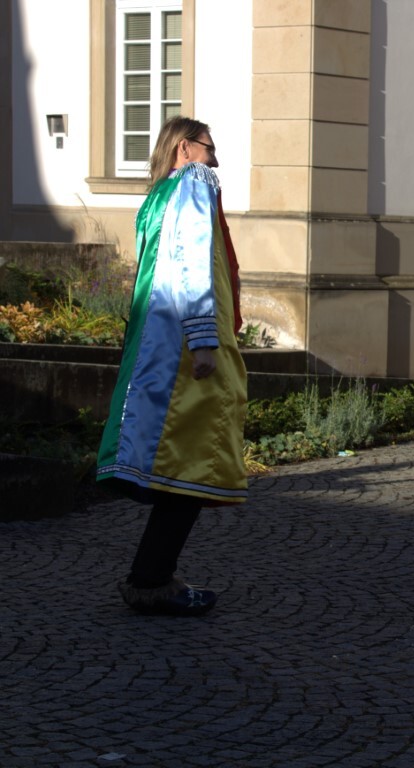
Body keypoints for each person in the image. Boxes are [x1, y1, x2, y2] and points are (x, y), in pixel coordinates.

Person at [96, 116, 247, 616]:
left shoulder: (156, 197)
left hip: (156, 347)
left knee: (175, 463)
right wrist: (203, 341)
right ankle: (151, 580)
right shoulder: (194, 182)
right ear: (185, 148)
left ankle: (152, 574)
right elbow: (194, 261)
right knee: (191, 459)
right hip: (186, 348)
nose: (215, 160)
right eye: (209, 148)